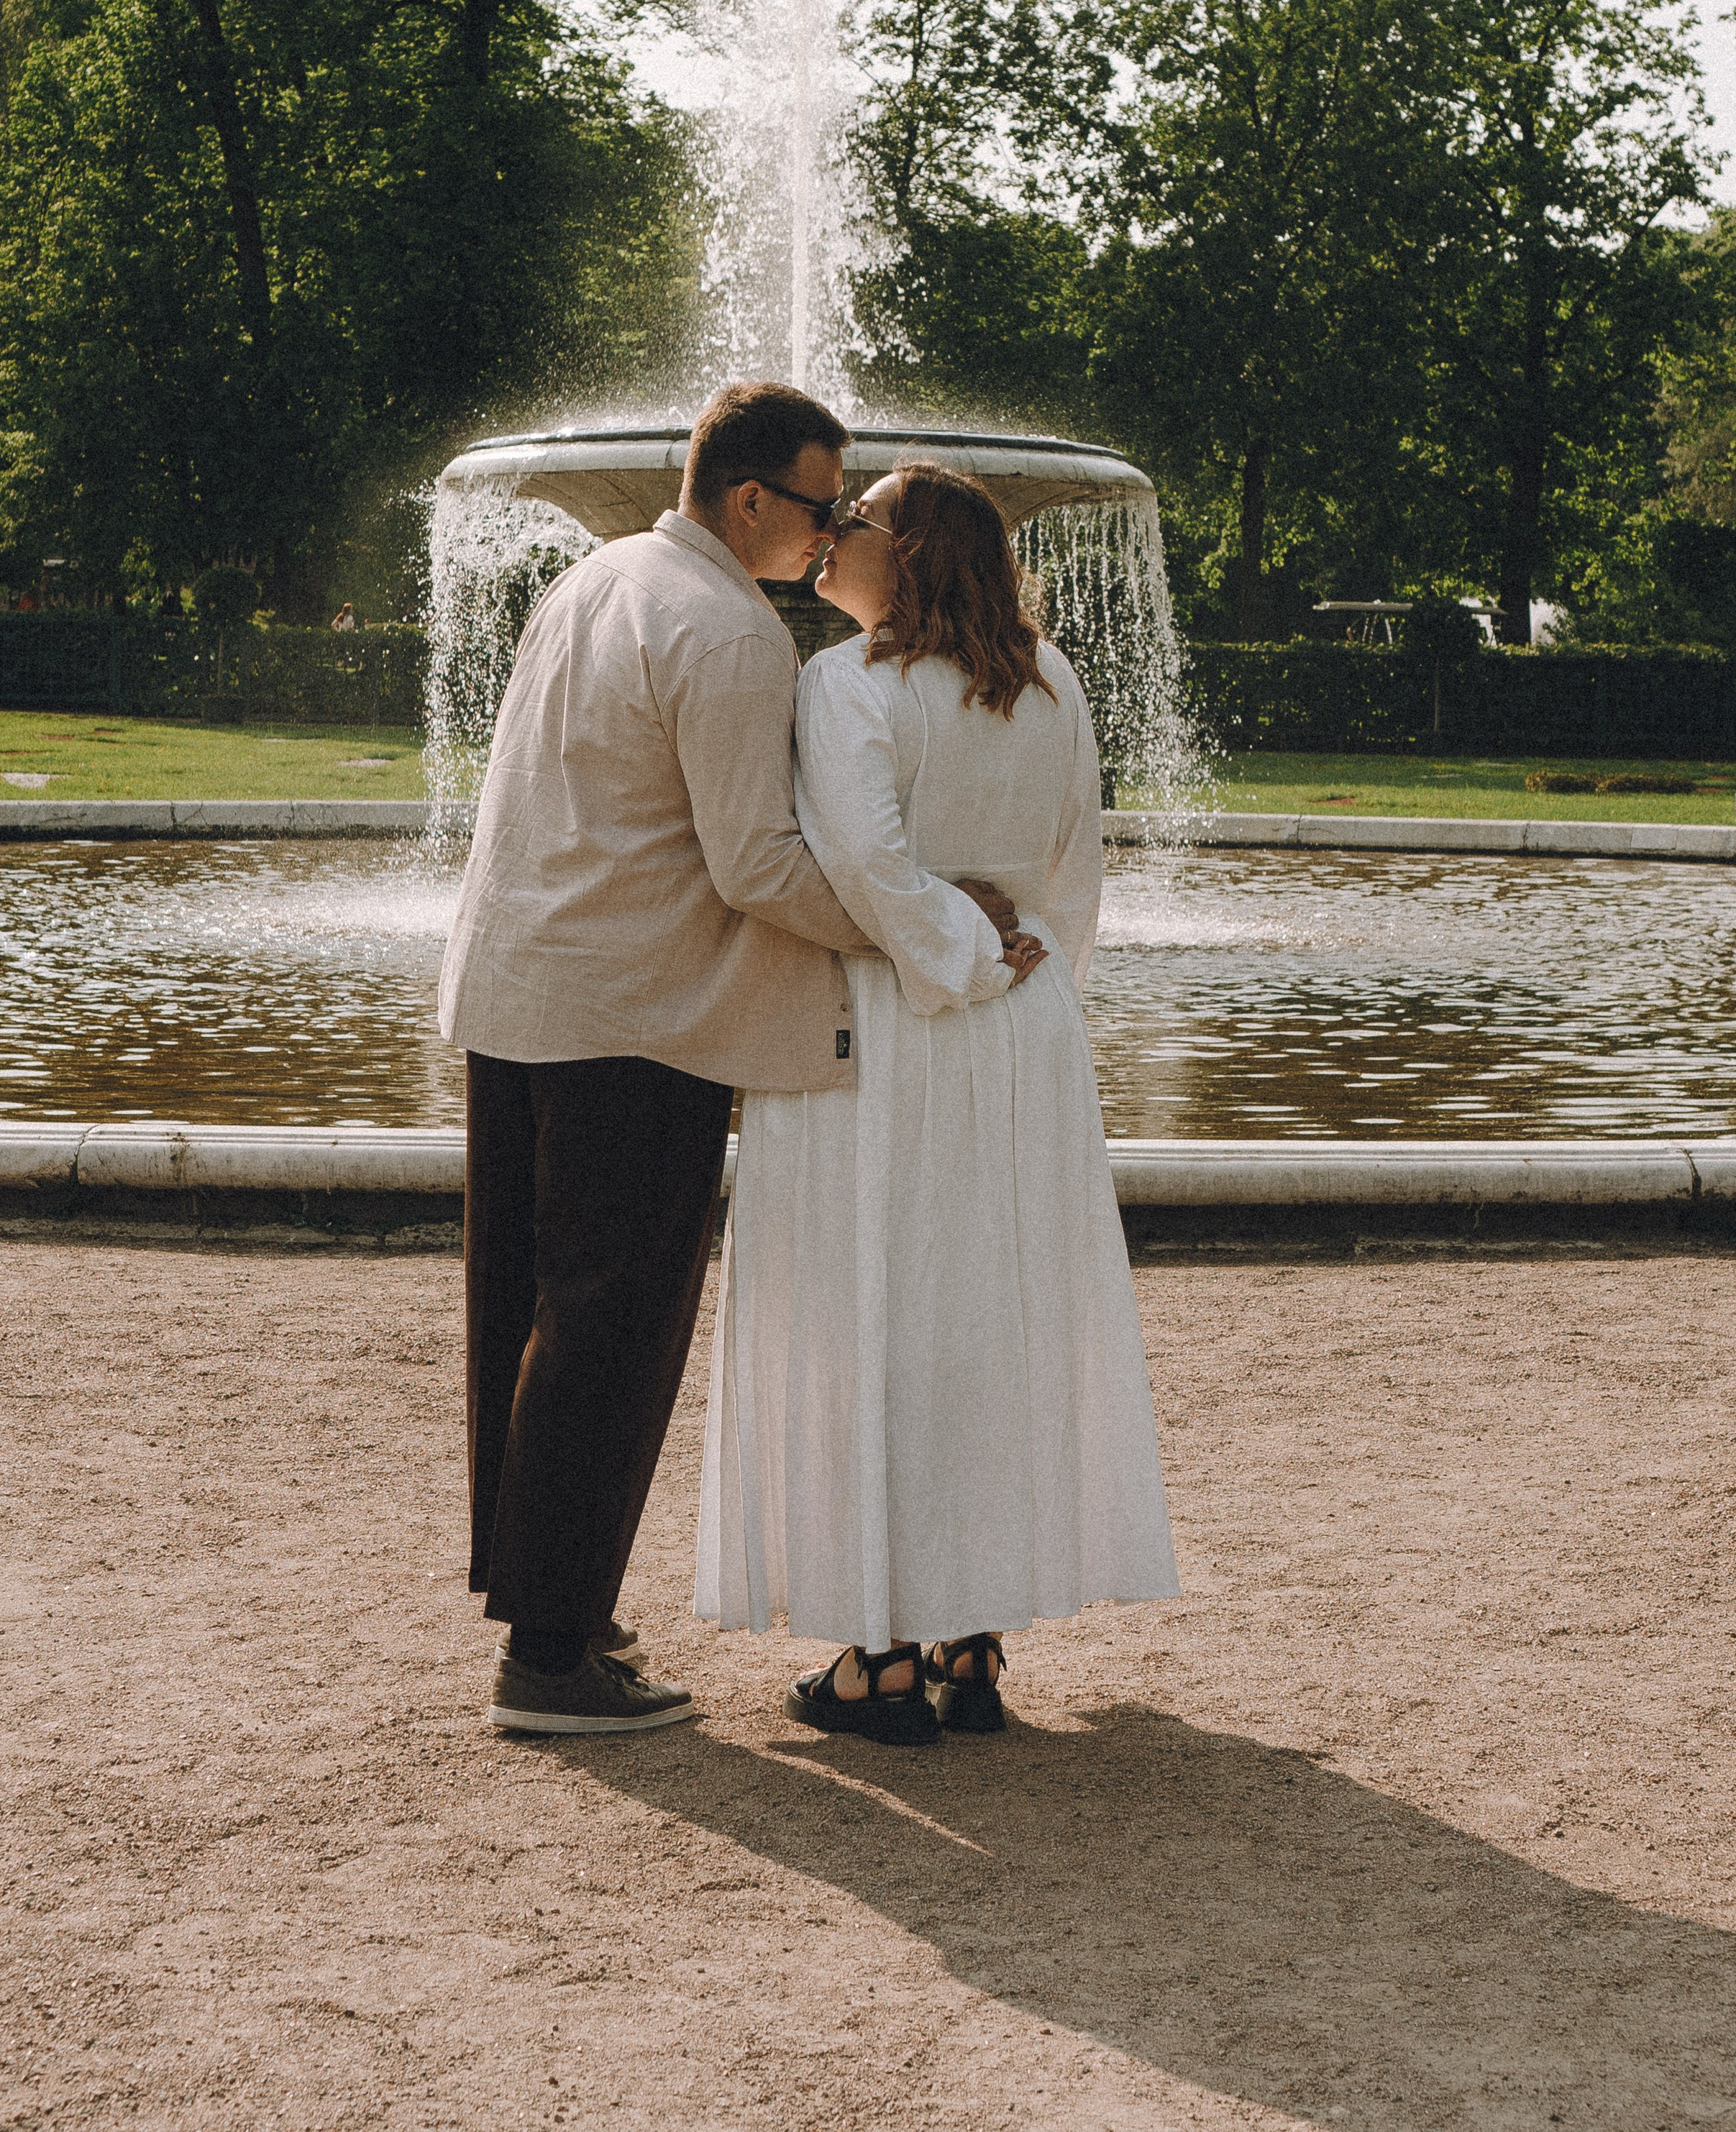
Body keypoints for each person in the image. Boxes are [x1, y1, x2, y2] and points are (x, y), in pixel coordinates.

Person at [438, 383, 1021, 1739]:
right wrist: (923, 928)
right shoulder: (733, 631)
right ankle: (550, 1656)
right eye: (823, 507)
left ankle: (549, 1607)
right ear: (752, 498)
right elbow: (756, 865)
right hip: (638, 1015)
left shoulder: (598, 579)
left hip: (517, 992)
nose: (831, 539)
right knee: (613, 1331)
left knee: (523, 1318)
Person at [695, 460, 1180, 1744]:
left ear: (898, 554)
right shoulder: (1051, 678)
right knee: (989, 1323)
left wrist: (958, 960)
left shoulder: (847, 683)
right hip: (1025, 1036)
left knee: (875, 1313)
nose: (828, 538)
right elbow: (1075, 864)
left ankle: (881, 1657)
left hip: (894, 1029)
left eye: (850, 524)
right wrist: (1028, 971)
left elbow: (860, 860)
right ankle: (971, 1635)